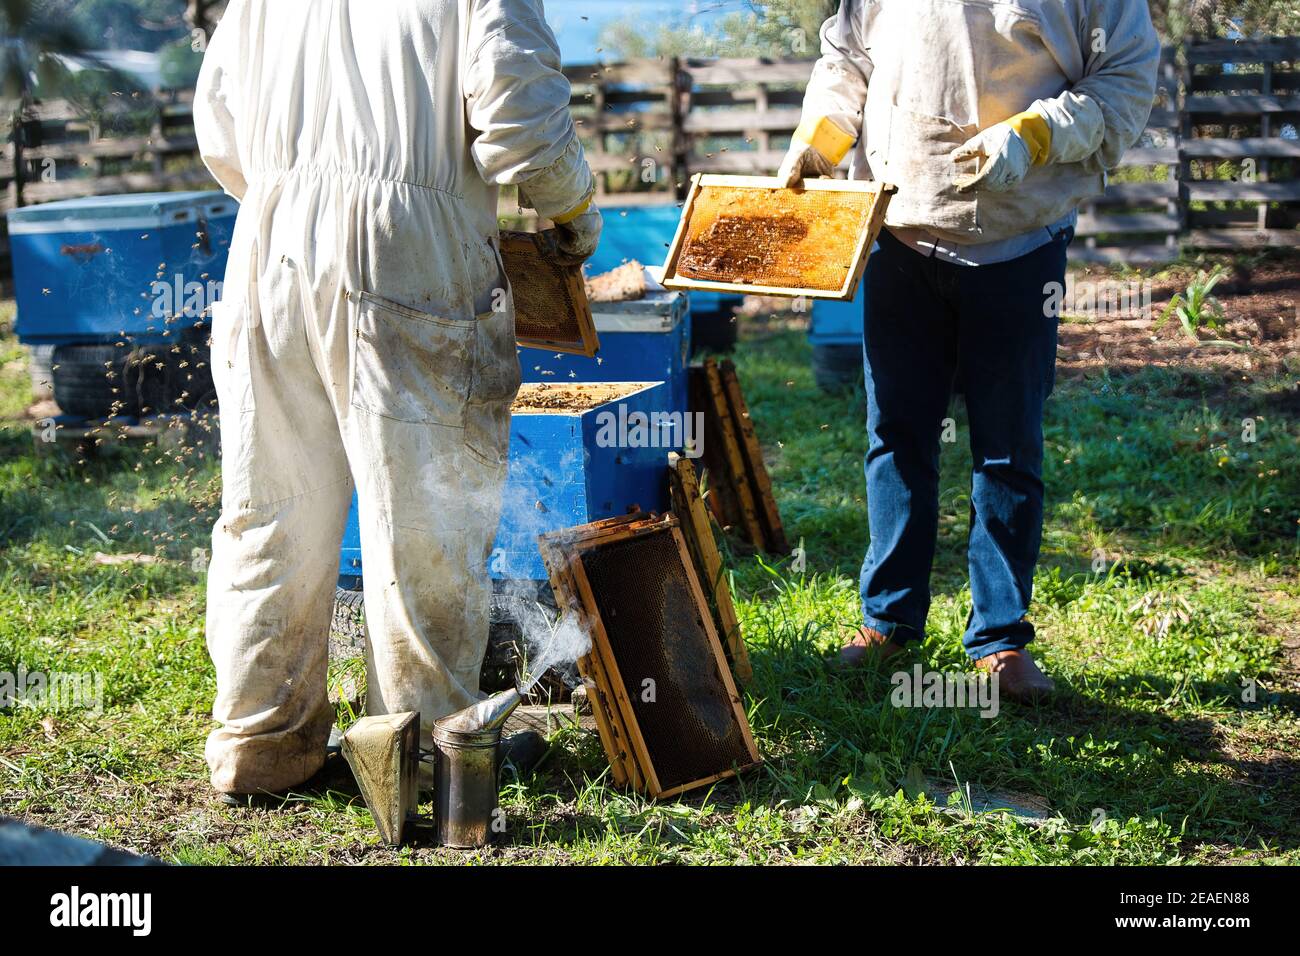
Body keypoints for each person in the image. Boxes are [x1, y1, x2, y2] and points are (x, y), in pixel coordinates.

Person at [193, 0, 601, 798]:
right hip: (406, 238)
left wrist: (303, 199)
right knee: (426, 516)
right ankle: (423, 753)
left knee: (271, 505)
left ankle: (259, 744)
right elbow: (519, 115)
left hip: (267, 243)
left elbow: (221, 126)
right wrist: (573, 205)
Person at [779, 0, 1159, 700]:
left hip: (1018, 242)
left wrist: (1037, 135)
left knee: (1008, 442)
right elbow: (847, 59)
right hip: (897, 231)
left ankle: (1001, 639)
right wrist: (823, 136)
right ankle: (889, 620)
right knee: (896, 433)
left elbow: (1126, 79)